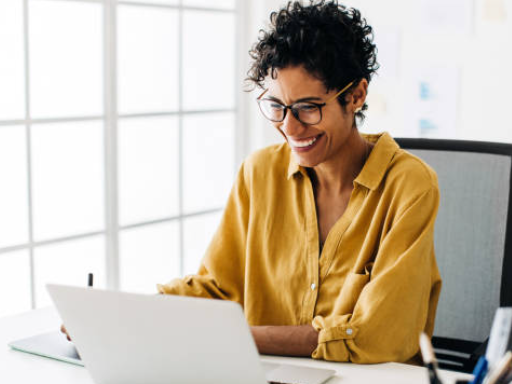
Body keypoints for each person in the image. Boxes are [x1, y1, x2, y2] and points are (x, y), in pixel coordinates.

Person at [68, 0, 441, 364]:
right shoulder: (258, 173)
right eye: (277, 106)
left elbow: (379, 335)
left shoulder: (409, 186)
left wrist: (237, 337)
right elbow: (219, 288)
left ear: (356, 95)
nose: (290, 128)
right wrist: (127, 317)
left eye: (308, 108)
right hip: (267, 379)